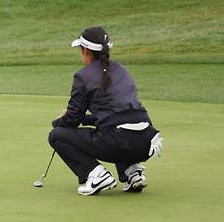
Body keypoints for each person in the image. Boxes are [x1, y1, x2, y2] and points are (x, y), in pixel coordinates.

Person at [48, 26, 163, 195]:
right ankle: (132, 172)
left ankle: (96, 175)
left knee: (57, 135)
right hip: (146, 140)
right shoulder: (121, 69)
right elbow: (114, 115)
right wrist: (85, 119)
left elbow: (72, 119)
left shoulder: (83, 76)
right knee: (113, 128)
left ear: (85, 50)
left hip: (119, 140)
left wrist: (57, 122)